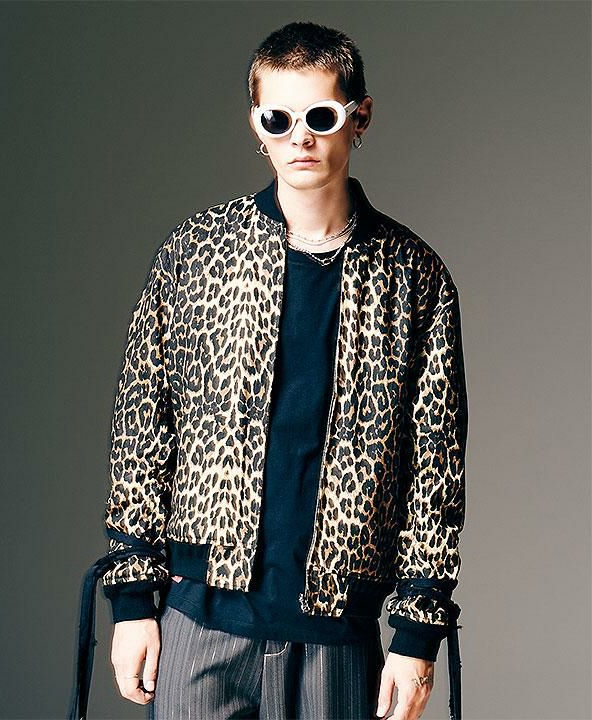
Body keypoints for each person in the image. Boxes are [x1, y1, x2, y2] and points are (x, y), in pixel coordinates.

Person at [95, 20, 468, 720]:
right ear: (257, 126)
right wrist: (132, 600)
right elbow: (143, 426)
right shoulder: (197, 253)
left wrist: (417, 634)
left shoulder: (415, 277)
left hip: (337, 631)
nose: (301, 138)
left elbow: (435, 465)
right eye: (279, 118)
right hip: (200, 619)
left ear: (360, 118)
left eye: (320, 117)